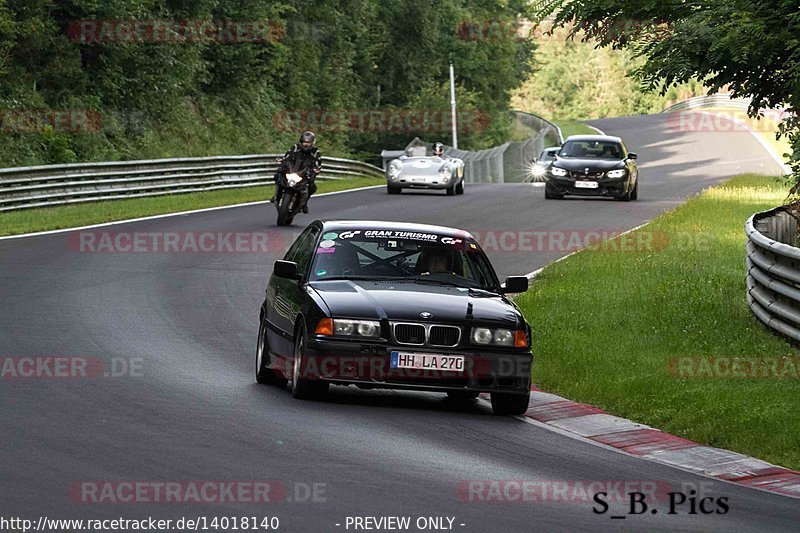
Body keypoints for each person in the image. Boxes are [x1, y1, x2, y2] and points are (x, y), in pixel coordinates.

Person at [272, 131, 322, 213]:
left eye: (308, 143)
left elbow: (318, 162)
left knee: (311, 186)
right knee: (278, 176)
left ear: (312, 143)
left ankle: (304, 203)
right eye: (304, 142)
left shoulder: (315, 152)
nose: (306, 144)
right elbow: (287, 156)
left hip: (304, 173)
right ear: (301, 141)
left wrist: (316, 169)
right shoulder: (295, 148)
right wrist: (282, 161)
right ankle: (276, 196)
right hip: (293, 170)